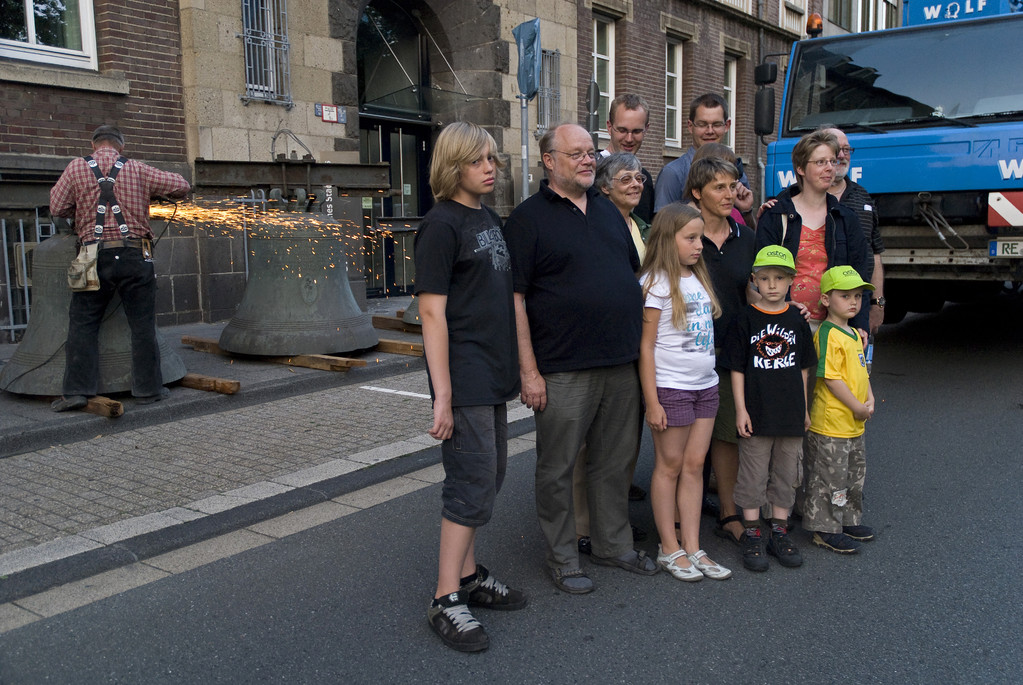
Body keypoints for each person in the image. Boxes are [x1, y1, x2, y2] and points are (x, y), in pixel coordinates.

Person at [505, 123, 658, 595]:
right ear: (549, 160)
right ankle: (563, 556)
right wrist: (528, 372)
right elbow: (514, 300)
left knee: (615, 463)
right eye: (577, 154)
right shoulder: (528, 218)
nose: (589, 160)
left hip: (620, 362)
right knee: (558, 468)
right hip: (563, 367)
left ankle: (613, 545)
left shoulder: (610, 213)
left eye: (592, 153)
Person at [414, 121, 527, 652]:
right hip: (465, 376)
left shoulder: (485, 216)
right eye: (479, 159)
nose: (490, 167)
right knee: (470, 483)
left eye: (492, 159)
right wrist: (443, 394)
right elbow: (431, 314)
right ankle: (444, 597)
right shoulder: (441, 225)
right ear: (452, 164)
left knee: (490, 475)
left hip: (492, 372)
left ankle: (468, 574)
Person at [49, 125, 190, 412]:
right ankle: (149, 390)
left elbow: (57, 206)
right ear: (120, 147)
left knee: (83, 323)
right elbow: (181, 186)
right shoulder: (137, 168)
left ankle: (77, 392)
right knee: (142, 325)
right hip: (135, 255)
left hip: (92, 256)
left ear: (93, 145)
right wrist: (145, 195)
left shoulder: (76, 167)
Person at [639, 203, 731, 582]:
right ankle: (668, 546)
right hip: (671, 390)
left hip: (706, 387)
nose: (699, 245)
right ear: (667, 238)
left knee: (694, 466)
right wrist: (652, 402)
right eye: (690, 238)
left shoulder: (698, 277)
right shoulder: (656, 284)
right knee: (669, 466)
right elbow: (645, 348)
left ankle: (693, 545)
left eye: (700, 238)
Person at [571, 152, 649, 559]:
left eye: (639, 177)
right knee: (589, 445)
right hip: (597, 348)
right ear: (603, 188)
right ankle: (584, 526)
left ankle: (612, 522)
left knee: (622, 444)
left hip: (634, 345)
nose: (636, 184)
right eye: (625, 179)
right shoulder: (595, 221)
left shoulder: (639, 225)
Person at [722, 246, 816, 572]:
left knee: (787, 473)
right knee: (753, 474)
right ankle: (752, 532)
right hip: (757, 411)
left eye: (779, 278)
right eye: (764, 278)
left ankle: (779, 529)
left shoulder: (797, 320)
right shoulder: (744, 319)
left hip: (790, 412)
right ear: (754, 280)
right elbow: (736, 367)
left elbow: (804, 368)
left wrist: (804, 409)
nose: (772, 284)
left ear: (791, 280)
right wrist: (740, 410)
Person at [682, 157, 759, 548]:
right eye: (719, 187)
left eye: (732, 186)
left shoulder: (746, 237)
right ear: (697, 192)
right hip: (688, 353)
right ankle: (681, 516)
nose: (729, 194)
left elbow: (755, 287)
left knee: (726, 434)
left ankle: (728, 512)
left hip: (733, 350)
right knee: (685, 439)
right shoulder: (684, 235)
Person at [755, 130, 872, 335]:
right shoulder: (776, 215)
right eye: (820, 162)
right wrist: (780, 306)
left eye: (832, 161)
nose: (829, 168)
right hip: (786, 323)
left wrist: (860, 325)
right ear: (800, 168)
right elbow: (760, 273)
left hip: (835, 325)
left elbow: (860, 273)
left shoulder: (846, 218)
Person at [806, 265, 877, 554]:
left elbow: (862, 371)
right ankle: (825, 527)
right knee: (830, 478)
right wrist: (858, 407)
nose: (853, 302)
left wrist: (869, 398)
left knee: (852, 474)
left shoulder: (853, 334)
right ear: (825, 300)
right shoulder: (828, 334)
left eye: (858, 296)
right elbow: (832, 379)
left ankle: (847, 519)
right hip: (832, 423)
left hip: (854, 422)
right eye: (845, 295)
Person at [823, 127, 886, 335]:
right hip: (815, 310)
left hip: (856, 311)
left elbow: (874, 254)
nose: (841, 156)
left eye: (846, 150)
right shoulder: (799, 199)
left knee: (858, 367)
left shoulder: (863, 198)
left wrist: (877, 303)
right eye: (835, 149)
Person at [654, 93, 752, 214]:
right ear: (690, 126)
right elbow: (663, 226)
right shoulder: (673, 173)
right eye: (702, 124)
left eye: (716, 124)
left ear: (727, 126)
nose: (710, 131)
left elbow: (746, 227)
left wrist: (746, 211)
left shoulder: (736, 170)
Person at [602, 94, 656, 223]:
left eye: (637, 131)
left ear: (646, 129)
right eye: (622, 130)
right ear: (609, 127)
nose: (629, 139)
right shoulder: (593, 172)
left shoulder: (645, 180)